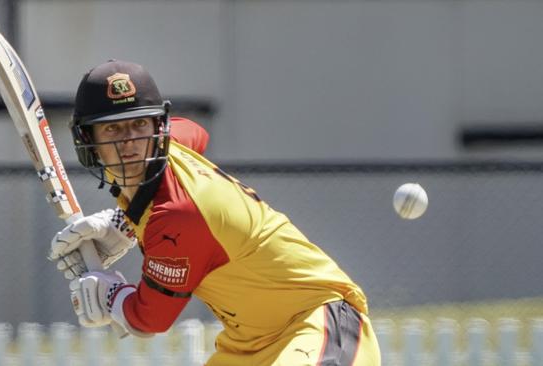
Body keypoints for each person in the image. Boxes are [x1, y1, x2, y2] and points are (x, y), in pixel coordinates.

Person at [48, 59, 381, 365]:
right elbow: (195, 132)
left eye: (139, 125)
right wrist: (127, 223)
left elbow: (151, 319)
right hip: (248, 344)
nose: (130, 142)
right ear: (87, 139)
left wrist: (111, 297)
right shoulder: (170, 147)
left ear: (158, 129)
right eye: (113, 129)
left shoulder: (177, 216)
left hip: (316, 321)